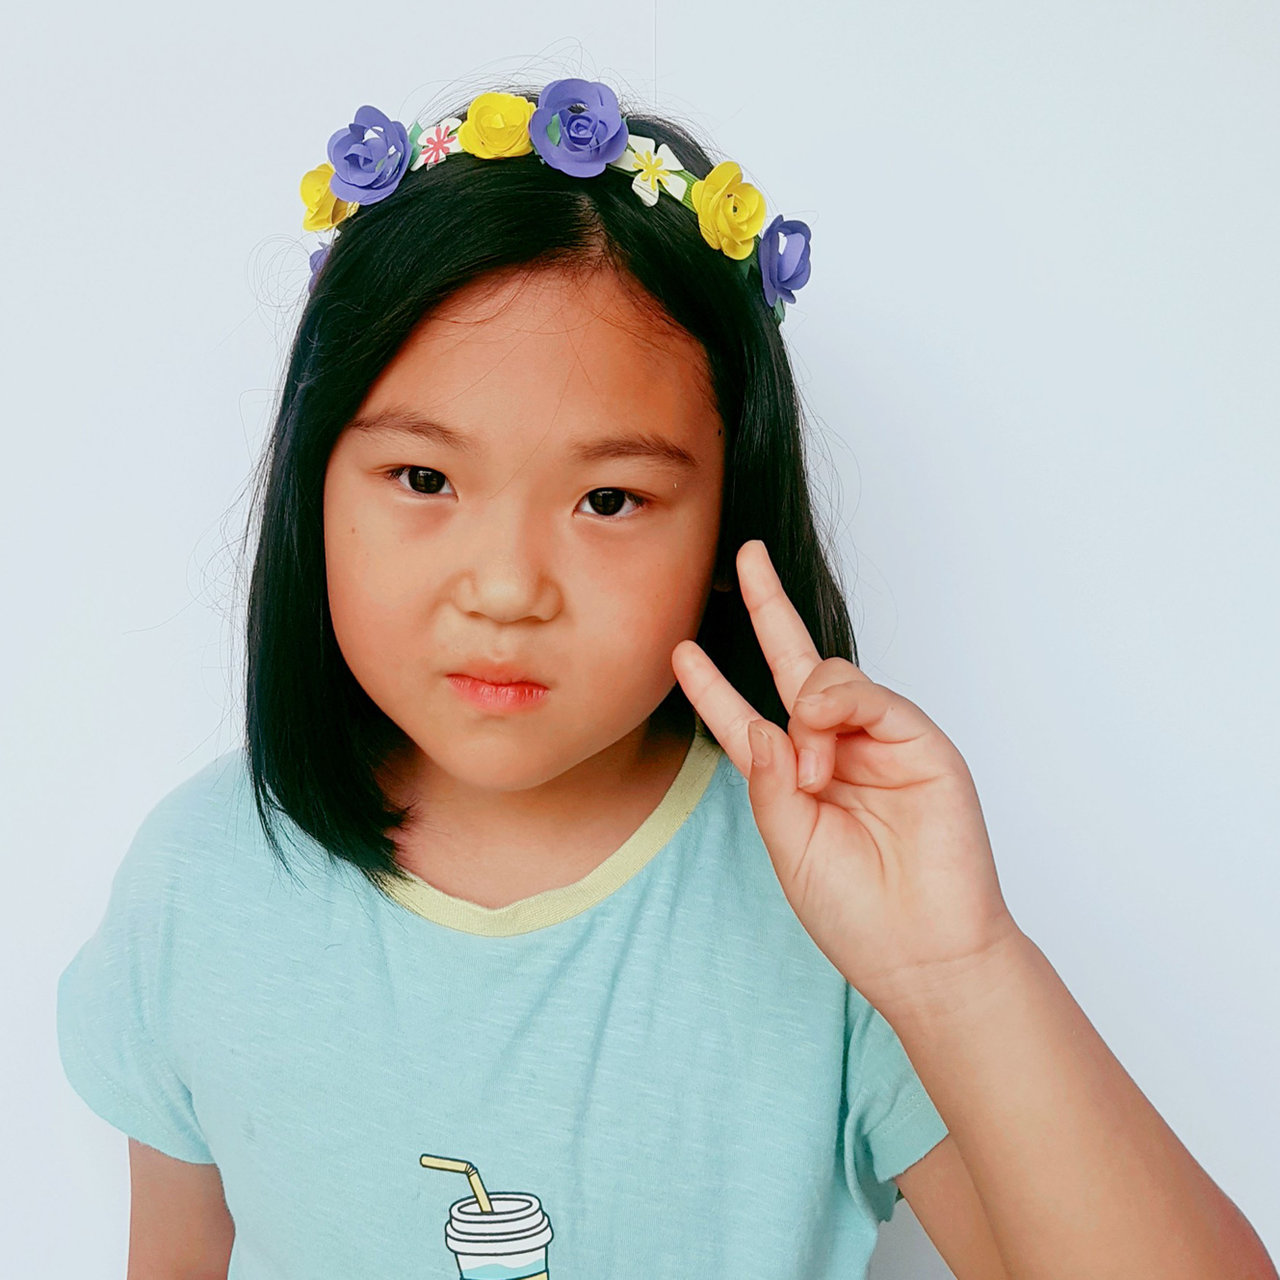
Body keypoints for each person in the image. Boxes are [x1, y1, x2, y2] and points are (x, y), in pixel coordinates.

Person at [56, 78, 1275, 1280]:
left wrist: (958, 969)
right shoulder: (200, 882)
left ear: (724, 529)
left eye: (607, 499)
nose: (506, 587)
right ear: (313, 484)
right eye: (423, 479)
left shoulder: (831, 910)